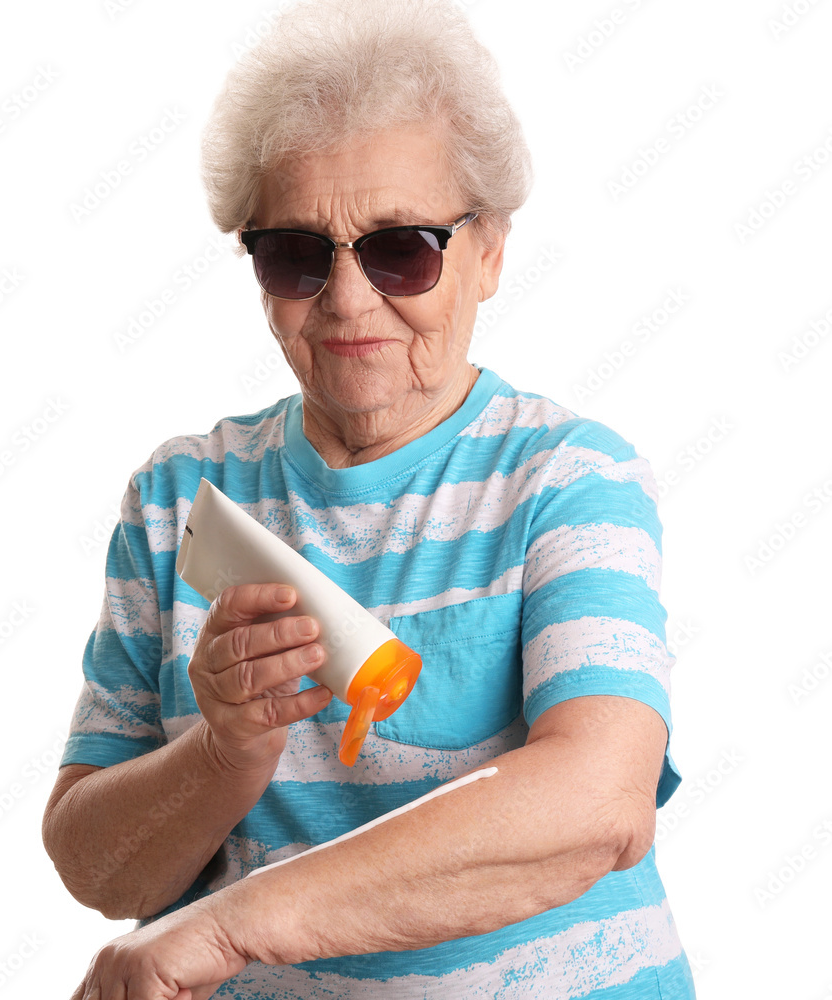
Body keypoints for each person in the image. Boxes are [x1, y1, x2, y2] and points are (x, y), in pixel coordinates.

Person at [43, 1, 696, 996]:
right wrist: (225, 750)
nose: (347, 299)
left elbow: (597, 800)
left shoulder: (568, 480)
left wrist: (228, 930)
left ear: (486, 251)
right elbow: (97, 869)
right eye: (297, 253)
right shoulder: (179, 499)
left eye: (401, 246)